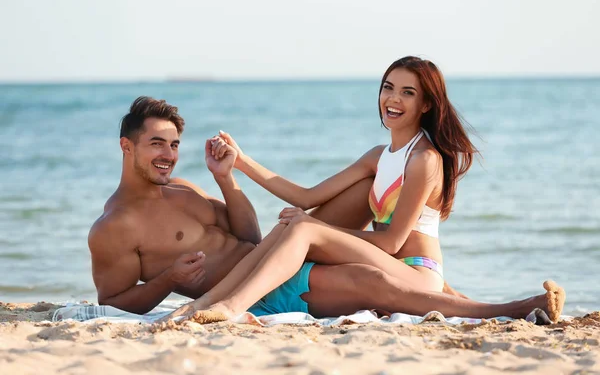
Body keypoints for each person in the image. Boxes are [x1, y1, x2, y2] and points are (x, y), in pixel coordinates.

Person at [162, 57, 566, 324]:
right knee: (293, 225)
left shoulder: (424, 159)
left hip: (417, 274)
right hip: (389, 267)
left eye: (408, 93)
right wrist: (241, 160)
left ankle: (231, 307)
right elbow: (306, 197)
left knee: (301, 229)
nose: (393, 99)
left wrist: (317, 231)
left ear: (426, 104)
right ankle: (207, 304)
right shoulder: (379, 155)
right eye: (388, 87)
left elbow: (391, 242)